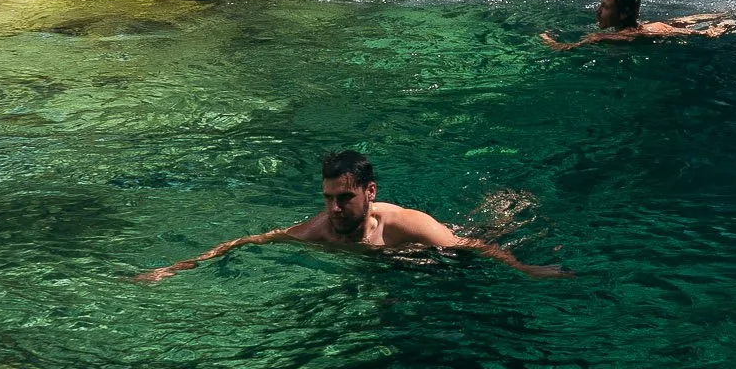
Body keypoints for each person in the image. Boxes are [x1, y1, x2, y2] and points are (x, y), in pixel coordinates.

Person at [134, 150, 571, 282]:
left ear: (369, 192)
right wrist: (177, 267)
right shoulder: (318, 231)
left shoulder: (403, 223)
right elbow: (249, 241)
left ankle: (510, 203)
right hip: (395, 265)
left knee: (490, 231)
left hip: (435, 247)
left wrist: (523, 267)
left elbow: (470, 247)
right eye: (327, 198)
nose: (333, 209)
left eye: (343, 198)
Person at [539, 0, 736, 50]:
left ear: (624, 13)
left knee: (671, 26)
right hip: (653, 26)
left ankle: (724, 17)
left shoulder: (621, 36)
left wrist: (545, 38)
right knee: (674, 22)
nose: (598, 11)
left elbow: (564, 49)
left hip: (655, 30)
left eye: (605, 7)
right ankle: (722, 13)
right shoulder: (632, 29)